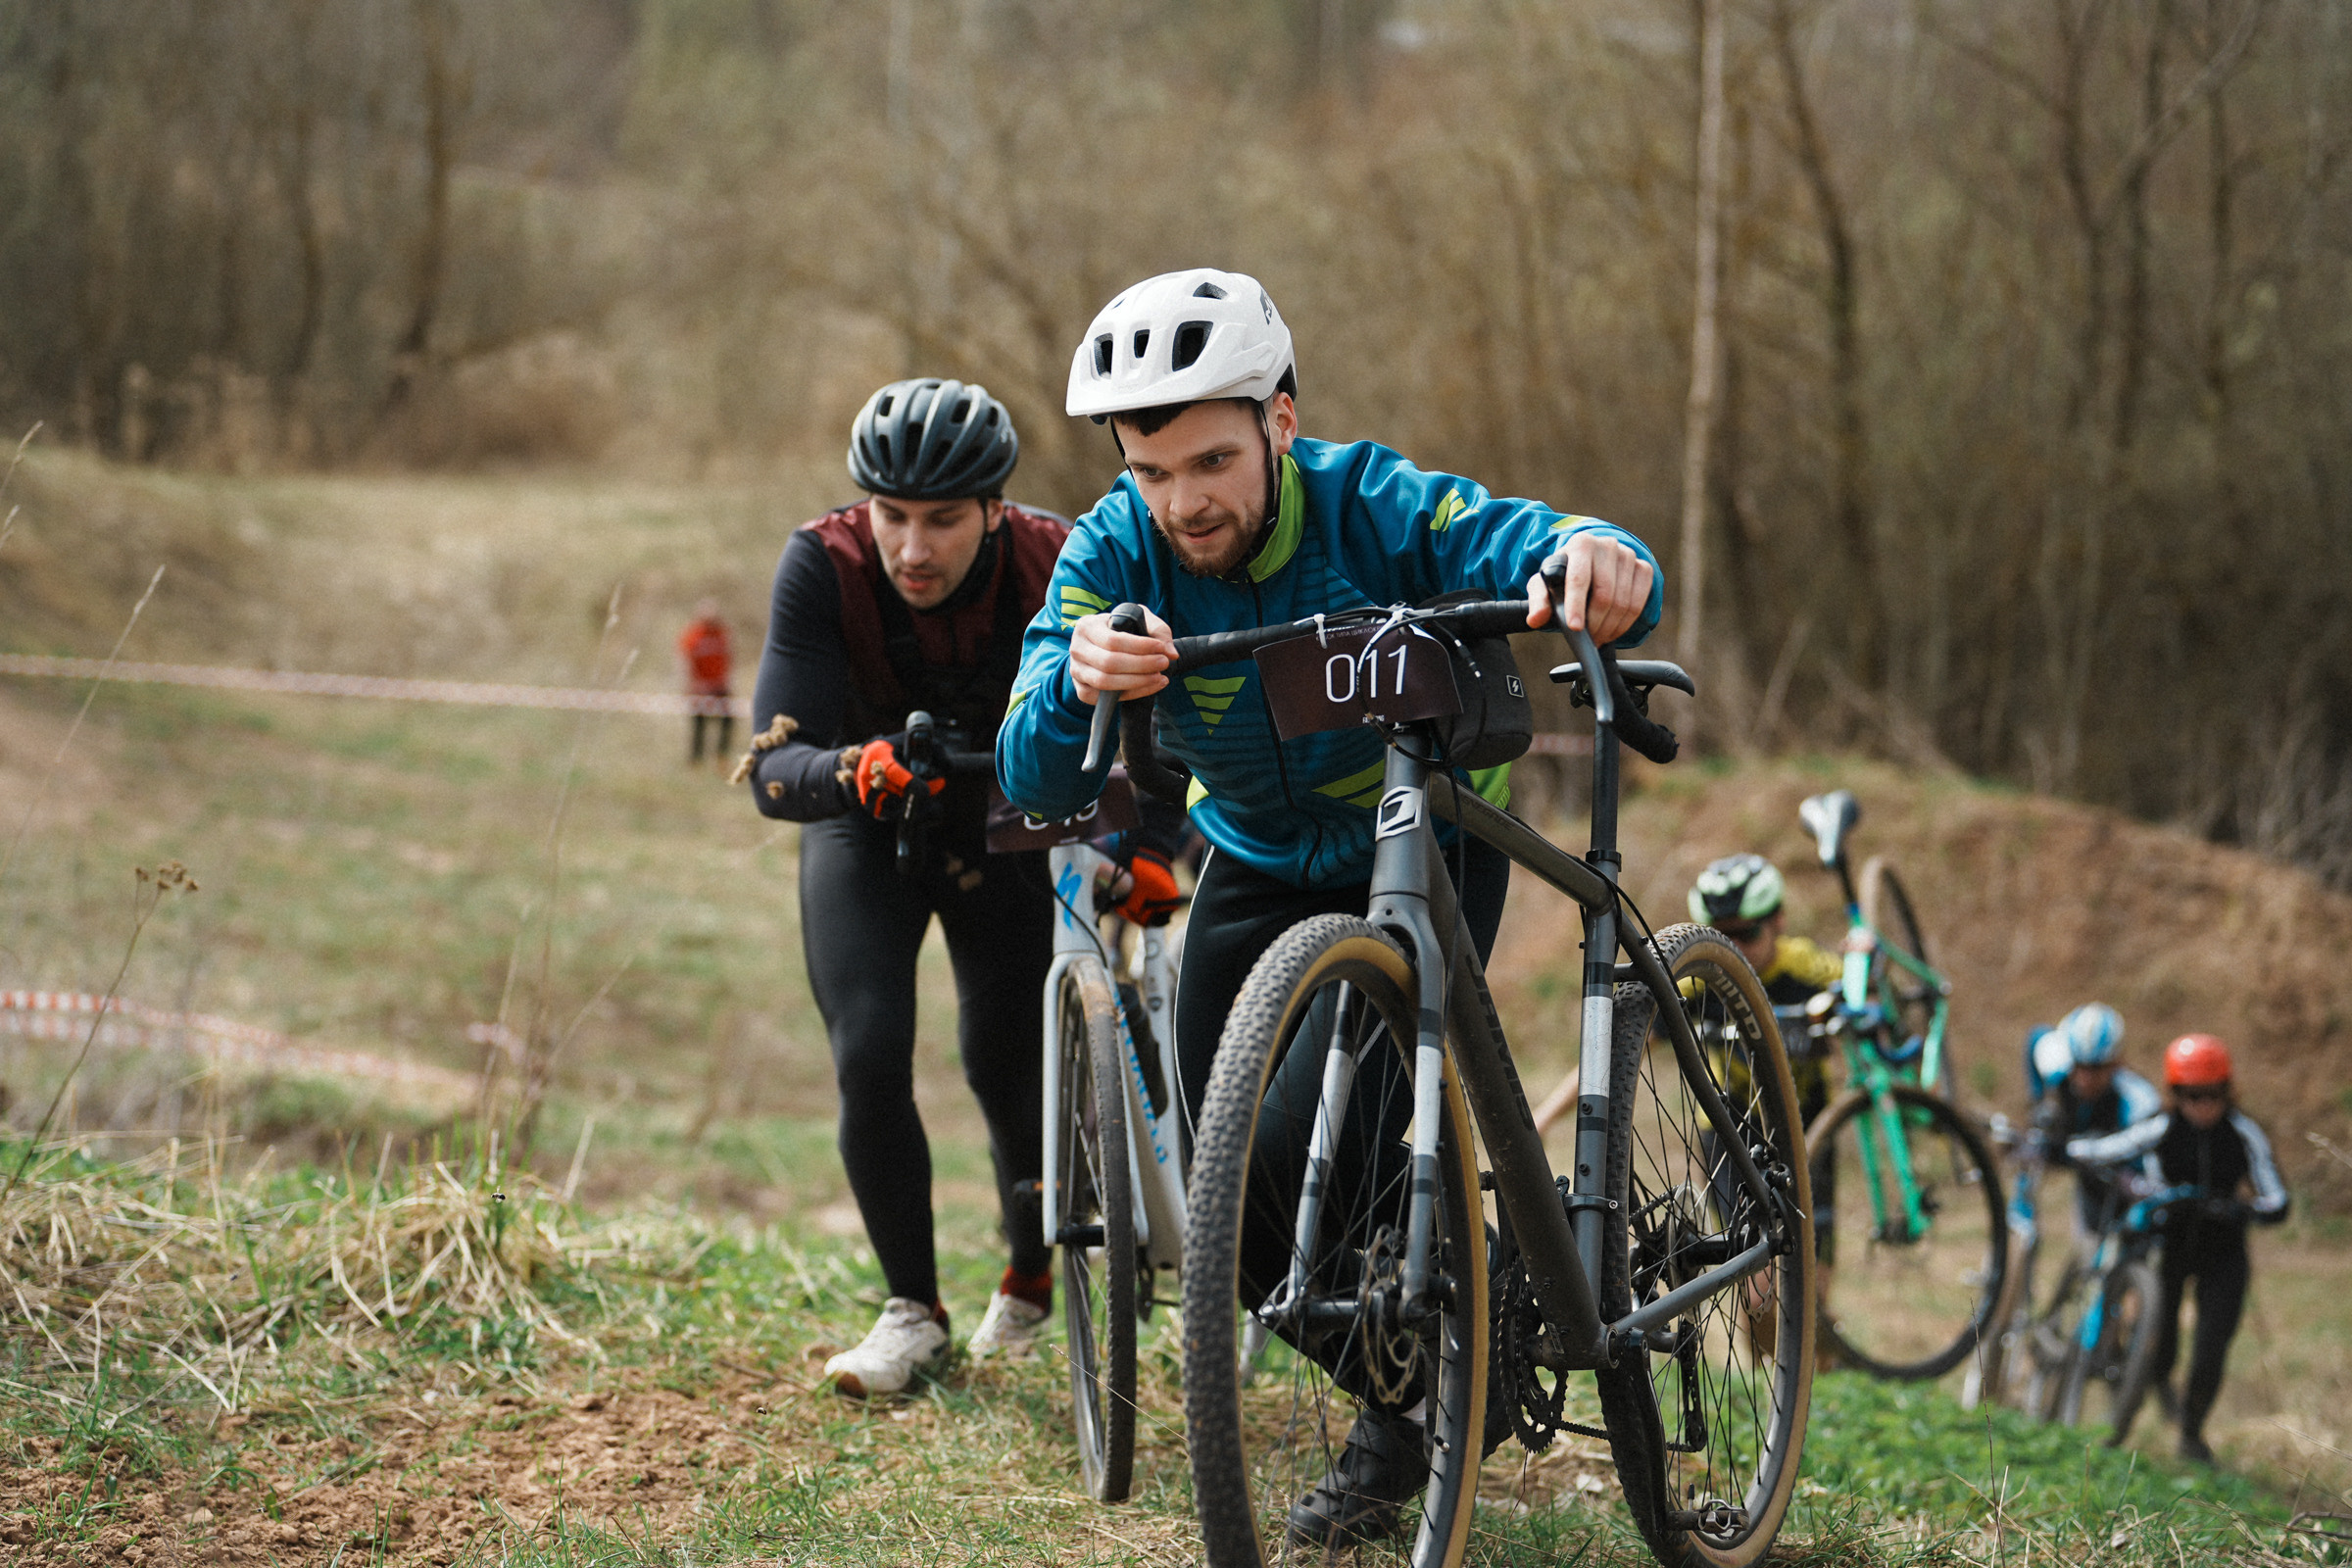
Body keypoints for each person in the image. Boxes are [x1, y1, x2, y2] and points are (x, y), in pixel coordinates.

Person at [997, 267, 1661, 1544]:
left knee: (1324, 1125)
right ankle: (1416, 1403)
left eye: (1210, 461)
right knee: (1229, 1205)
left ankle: (1460, 1289)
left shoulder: (1369, 504)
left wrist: (1603, 557)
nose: (1182, 502)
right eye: (1151, 469)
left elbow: (1528, 536)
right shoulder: (1111, 551)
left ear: (1280, 422)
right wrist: (1077, 680)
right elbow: (1033, 772)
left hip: (1417, 836)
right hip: (1248, 859)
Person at [739, 377, 1124, 1398]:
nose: (913, 548)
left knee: (1005, 1062)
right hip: (869, 821)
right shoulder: (822, 563)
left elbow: (1148, 724)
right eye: (893, 517)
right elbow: (773, 767)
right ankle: (912, 1310)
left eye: (944, 521)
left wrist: (1147, 841)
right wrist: (848, 769)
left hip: (1008, 824)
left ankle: (1029, 1284)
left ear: (995, 509)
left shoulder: (1056, 556)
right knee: (868, 1052)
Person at [2066, 1033, 2289, 1463]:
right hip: (2172, 1247)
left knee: (2212, 1345)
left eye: (2212, 1095)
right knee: (2159, 1344)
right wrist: (2065, 1150)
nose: (2202, 1106)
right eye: (2191, 1096)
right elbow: (2105, 1150)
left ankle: (2191, 1431)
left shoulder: (2243, 1134)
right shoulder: (2162, 1127)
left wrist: (2243, 1210)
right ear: (2175, 1094)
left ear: (2227, 1091)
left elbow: (2277, 1200)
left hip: (2225, 1254)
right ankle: (2128, 1415)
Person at [2025, 1002, 2161, 1236]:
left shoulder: (2139, 1101)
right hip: (2082, 1173)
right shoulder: (2055, 1066)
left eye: (2097, 1068)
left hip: (2119, 1182)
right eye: (2080, 1066)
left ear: (2116, 1061)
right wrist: (2039, 1101)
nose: (2085, 1079)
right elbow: (2036, 1038)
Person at [678, 599, 735, 764]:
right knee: (699, 725)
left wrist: (728, 680)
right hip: (700, 688)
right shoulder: (692, 635)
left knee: (727, 722)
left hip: (719, 686)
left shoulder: (722, 633)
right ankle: (696, 760)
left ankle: (721, 756)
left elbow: (729, 657)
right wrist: (690, 684)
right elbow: (684, 660)